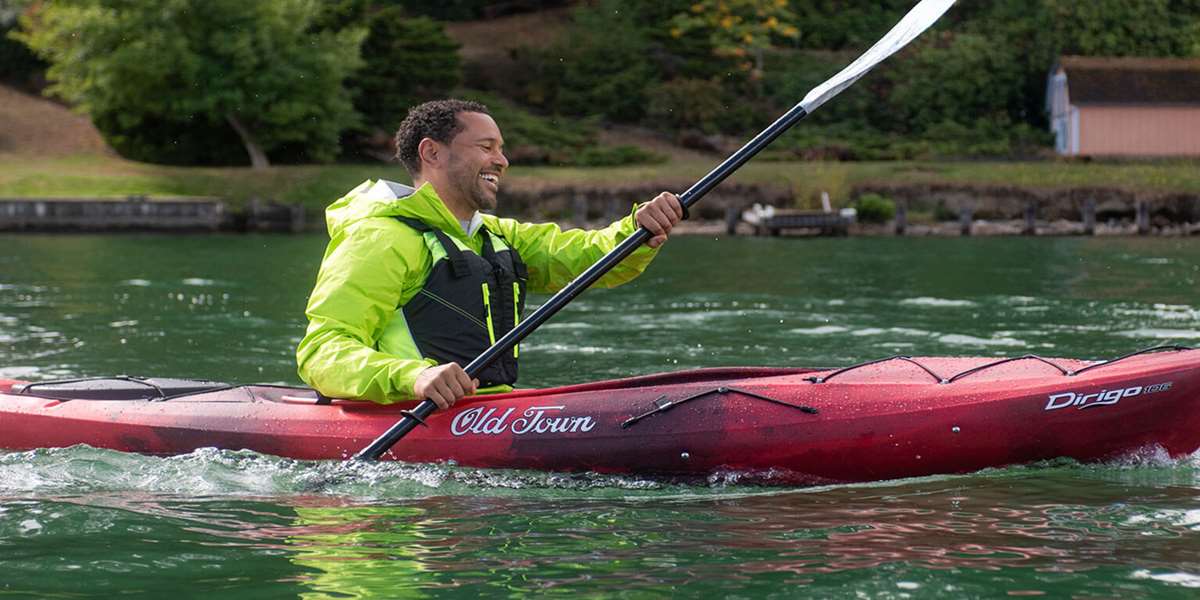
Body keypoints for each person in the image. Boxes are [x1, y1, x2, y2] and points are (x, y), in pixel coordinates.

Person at [296, 99, 682, 409]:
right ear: (432, 153)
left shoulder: (496, 235)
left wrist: (637, 229)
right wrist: (412, 377)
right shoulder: (380, 238)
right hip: (407, 414)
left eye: (502, 148)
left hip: (489, 411)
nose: (502, 160)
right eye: (486, 147)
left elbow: (588, 258)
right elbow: (322, 350)